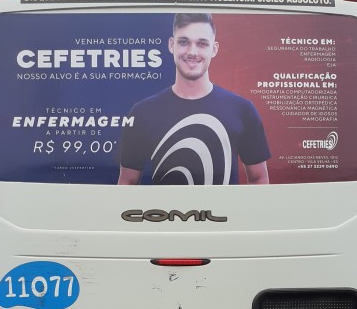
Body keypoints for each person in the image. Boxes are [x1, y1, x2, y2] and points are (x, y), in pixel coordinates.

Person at [116, 13, 270, 185]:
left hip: (224, 213)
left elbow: (259, 179)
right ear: (171, 45)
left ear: (214, 49)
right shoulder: (142, 113)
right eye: (183, 42)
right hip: (162, 213)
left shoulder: (243, 110)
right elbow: (127, 183)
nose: (192, 52)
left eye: (202, 43)